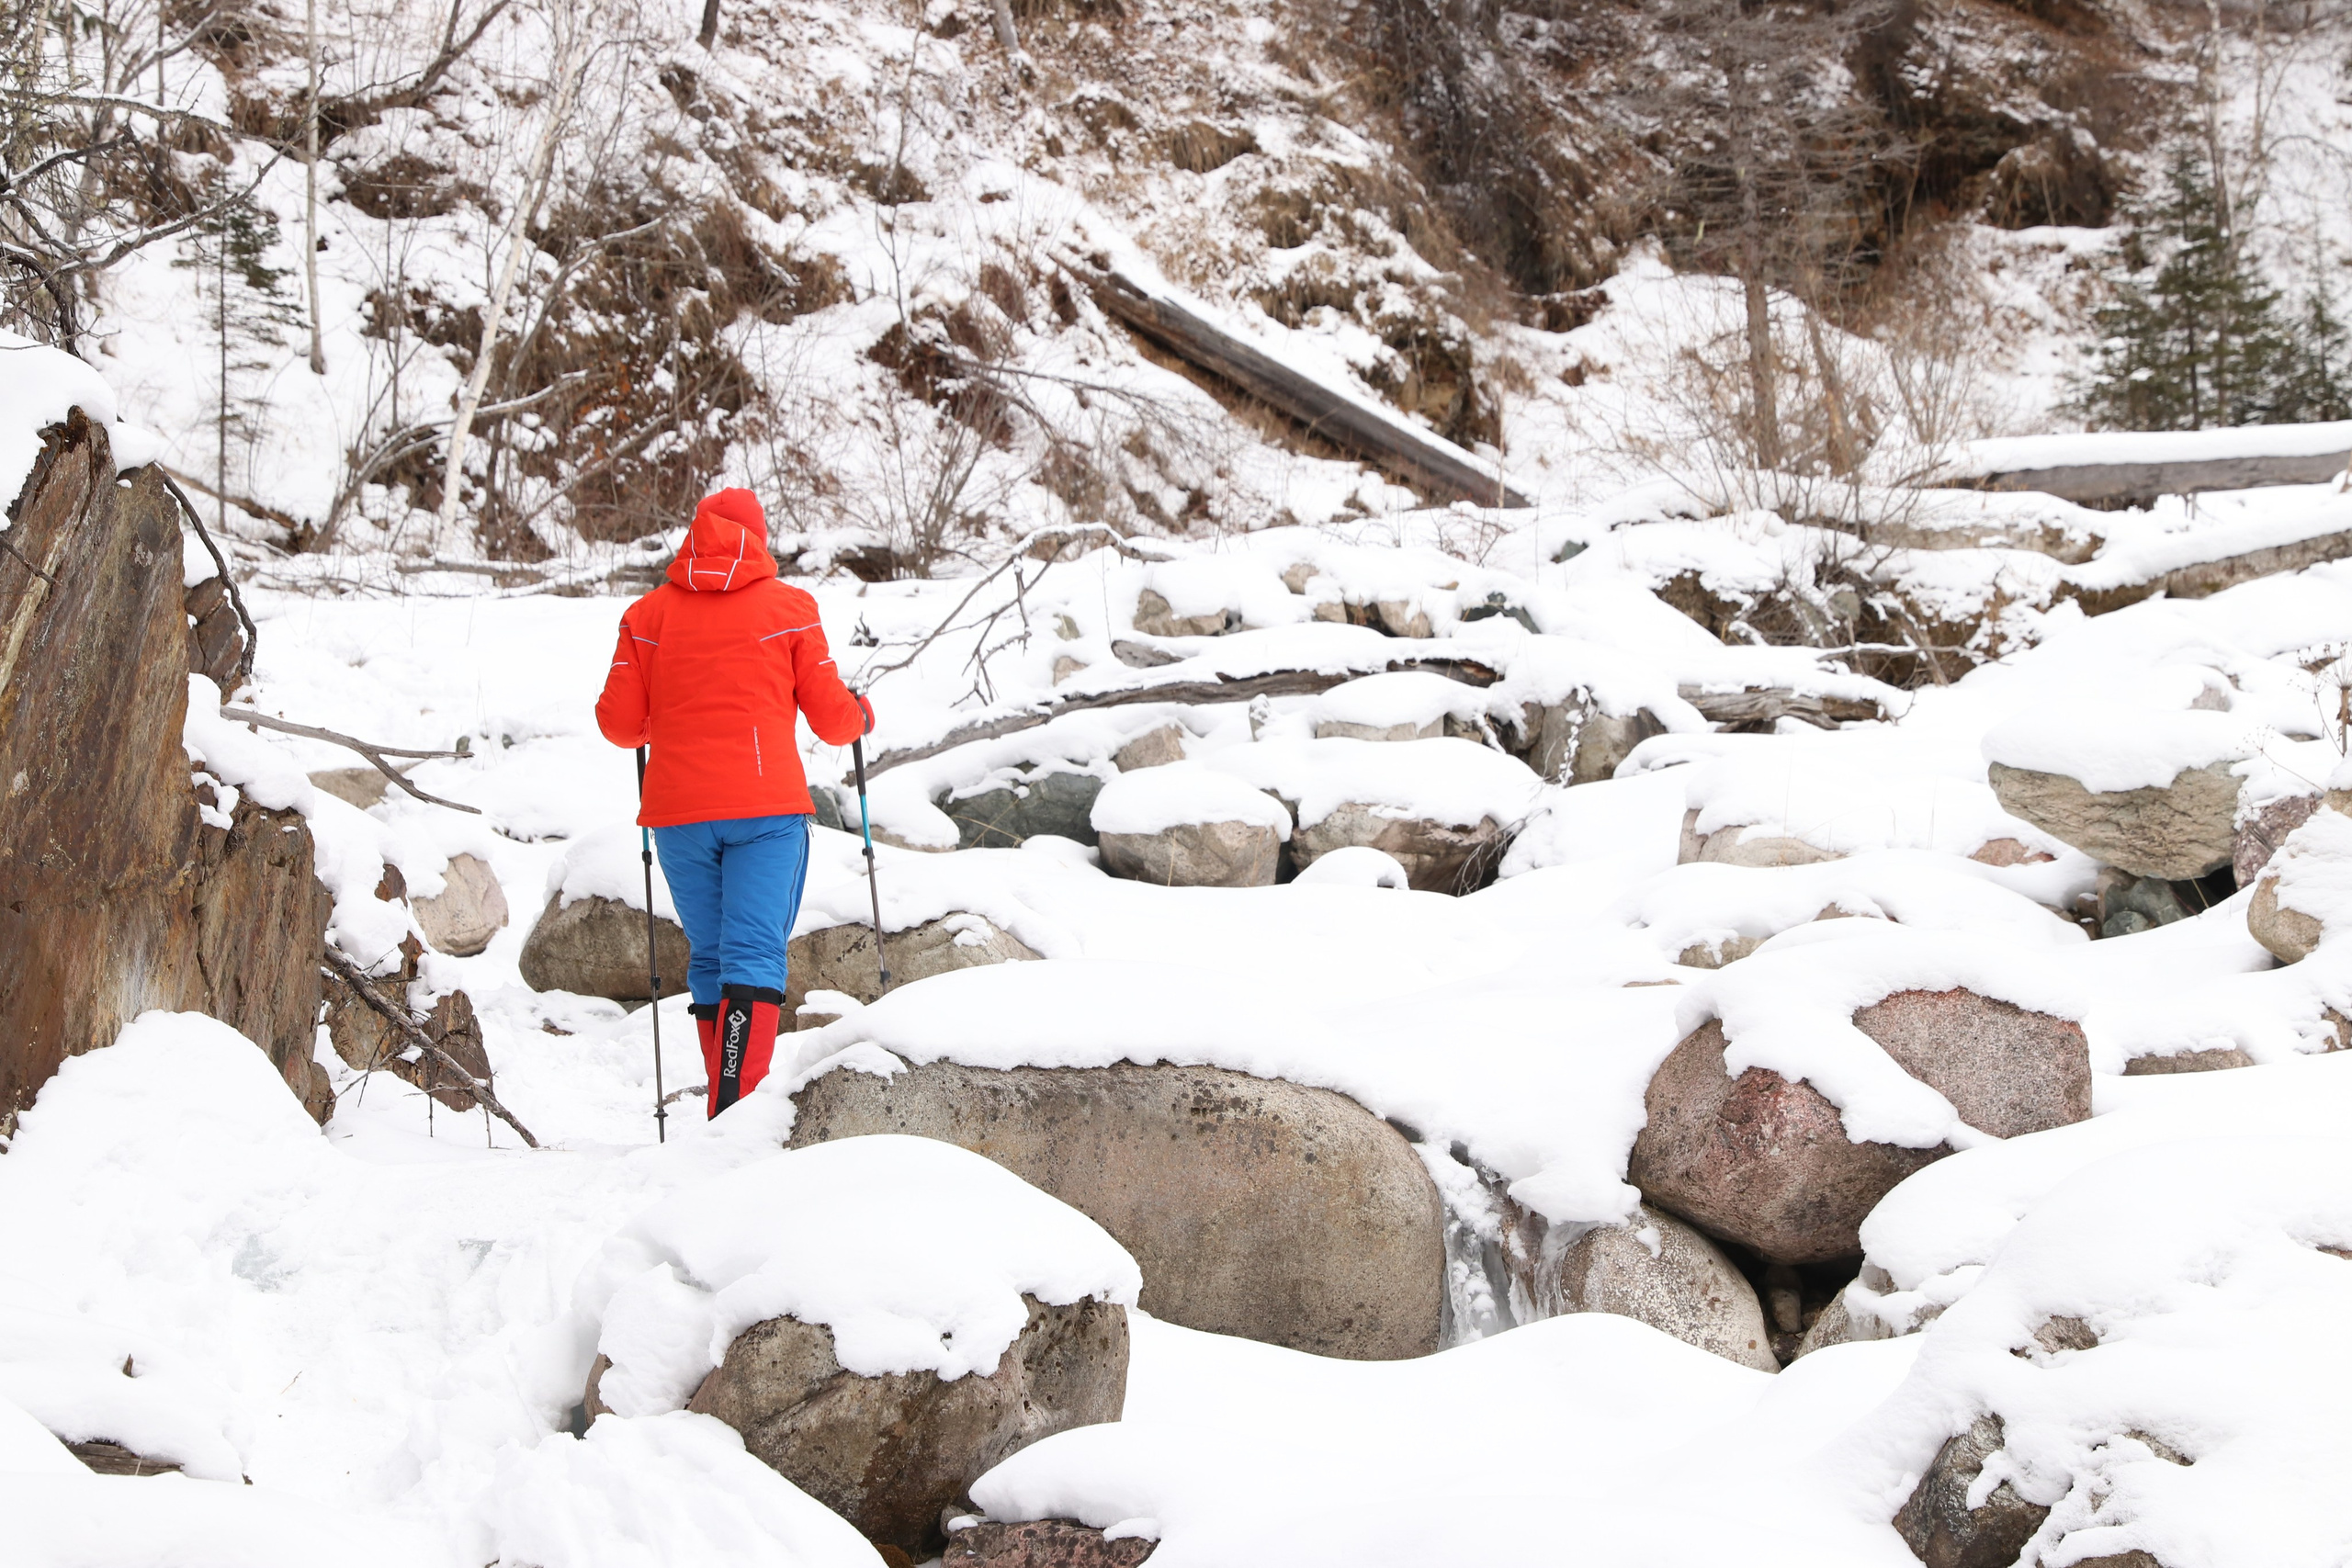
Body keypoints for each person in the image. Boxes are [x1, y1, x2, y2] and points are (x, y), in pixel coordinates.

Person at [594, 488, 873, 1117]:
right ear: (757, 538)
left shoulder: (646, 616)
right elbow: (834, 721)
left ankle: (727, 1102)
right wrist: (861, 714)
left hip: (678, 815)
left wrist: (665, 724)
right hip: (765, 813)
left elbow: (618, 723)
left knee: (714, 957)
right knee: (752, 955)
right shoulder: (790, 608)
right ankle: (736, 1108)